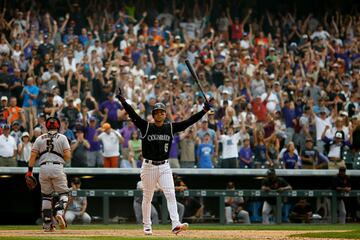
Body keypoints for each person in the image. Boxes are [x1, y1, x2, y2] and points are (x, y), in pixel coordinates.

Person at [116, 88, 211, 235]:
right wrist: (123, 101)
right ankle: (147, 226)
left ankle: (175, 224)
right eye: (157, 112)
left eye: (162, 112)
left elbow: (188, 122)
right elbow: (132, 113)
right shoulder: (146, 126)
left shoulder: (170, 127)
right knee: (147, 197)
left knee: (171, 194)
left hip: (165, 166)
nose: (160, 114)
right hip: (148, 166)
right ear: (153, 115)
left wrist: (204, 111)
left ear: (165, 114)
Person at [26, 117, 71, 232]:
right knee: (64, 193)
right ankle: (59, 210)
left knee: (46, 195)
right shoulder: (63, 137)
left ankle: (47, 224)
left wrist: (29, 172)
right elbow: (67, 157)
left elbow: (32, 157)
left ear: (46, 126)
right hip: (57, 166)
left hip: (43, 168)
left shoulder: (39, 138)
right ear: (58, 126)